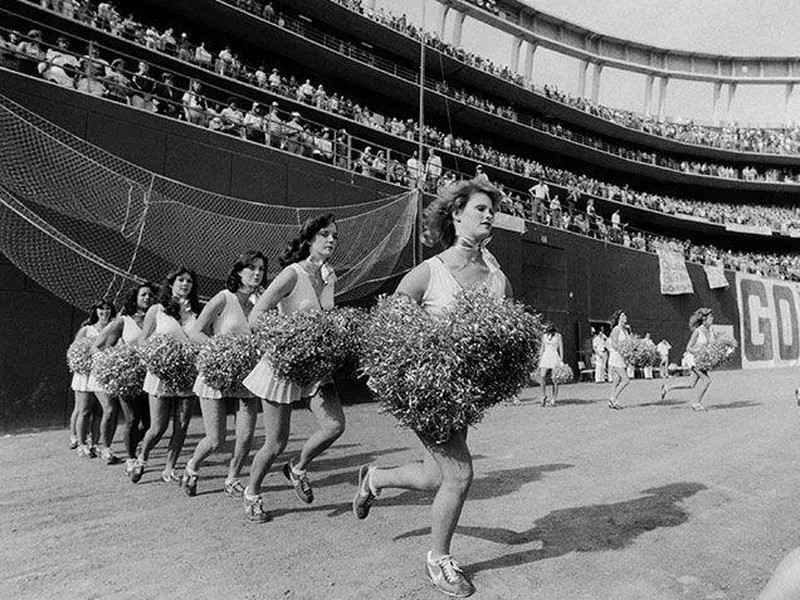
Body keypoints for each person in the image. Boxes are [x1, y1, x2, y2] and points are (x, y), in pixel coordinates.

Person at [352, 178, 512, 598]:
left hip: (463, 395)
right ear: (456, 215)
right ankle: (438, 559)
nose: (489, 214)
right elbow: (391, 325)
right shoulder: (430, 272)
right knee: (459, 474)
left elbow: (507, 334)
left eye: (491, 209)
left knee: (431, 476)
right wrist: (429, 354)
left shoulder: (498, 279)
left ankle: (374, 478)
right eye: (480, 208)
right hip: (427, 393)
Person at [241, 214, 346, 523]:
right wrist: (288, 337)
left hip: (314, 365)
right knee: (275, 443)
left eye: (334, 237)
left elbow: (326, 316)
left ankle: (297, 468)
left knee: (334, 426)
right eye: (324, 235)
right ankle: (252, 494)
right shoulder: (291, 274)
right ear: (309, 240)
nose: (330, 240)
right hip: (283, 364)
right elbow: (256, 317)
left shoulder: (330, 275)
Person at [183, 251, 266, 498]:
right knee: (216, 439)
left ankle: (232, 478)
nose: (257, 273)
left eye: (261, 269)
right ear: (239, 271)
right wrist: (220, 352)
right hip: (217, 373)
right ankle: (192, 468)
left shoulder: (261, 302)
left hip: (248, 376)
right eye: (252, 268)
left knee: (246, 435)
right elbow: (196, 331)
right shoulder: (224, 298)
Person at [130, 267, 201, 483]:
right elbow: (143, 339)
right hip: (161, 374)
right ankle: (142, 458)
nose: (185, 284)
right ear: (171, 283)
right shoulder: (157, 309)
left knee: (181, 426)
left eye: (189, 281)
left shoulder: (196, 312)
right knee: (158, 427)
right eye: (181, 280)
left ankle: (169, 469)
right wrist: (156, 355)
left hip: (187, 374)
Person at [91, 283, 157, 474]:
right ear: (135, 298)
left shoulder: (156, 319)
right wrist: (120, 366)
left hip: (150, 376)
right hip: (128, 378)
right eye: (143, 295)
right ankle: (131, 459)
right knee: (132, 419)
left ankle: (136, 445)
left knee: (149, 423)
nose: (147, 298)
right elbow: (108, 347)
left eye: (151, 295)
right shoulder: (123, 321)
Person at [70, 299, 115, 457]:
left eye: (108, 308)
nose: (105, 312)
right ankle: (82, 444)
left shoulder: (113, 328)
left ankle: (95, 444)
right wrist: (86, 361)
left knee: (99, 412)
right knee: (84, 410)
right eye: (101, 309)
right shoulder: (86, 330)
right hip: (85, 375)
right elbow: (74, 352)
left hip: (100, 375)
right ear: (96, 311)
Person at [660, 308, 714, 411]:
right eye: (710, 317)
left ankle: (667, 387)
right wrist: (699, 351)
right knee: (707, 381)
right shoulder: (697, 331)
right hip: (693, 359)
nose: (712, 319)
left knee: (691, 384)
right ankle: (696, 403)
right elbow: (688, 347)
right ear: (704, 319)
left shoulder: (711, 331)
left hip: (702, 360)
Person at [606, 310, 631, 409]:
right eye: (623, 315)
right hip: (616, 357)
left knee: (616, 379)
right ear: (619, 318)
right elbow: (614, 344)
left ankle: (612, 400)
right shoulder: (616, 329)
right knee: (626, 380)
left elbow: (629, 342)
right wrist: (623, 351)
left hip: (622, 357)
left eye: (625, 315)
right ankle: (613, 398)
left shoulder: (625, 330)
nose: (625, 317)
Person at [537, 323, 563, 407]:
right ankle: (543, 395)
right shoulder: (544, 336)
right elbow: (542, 347)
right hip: (546, 356)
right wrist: (540, 358)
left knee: (555, 379)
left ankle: (553, 399)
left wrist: (561, 360)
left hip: (554, 356)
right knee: (542, 376)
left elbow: (561, 348)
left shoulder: (558, 336)